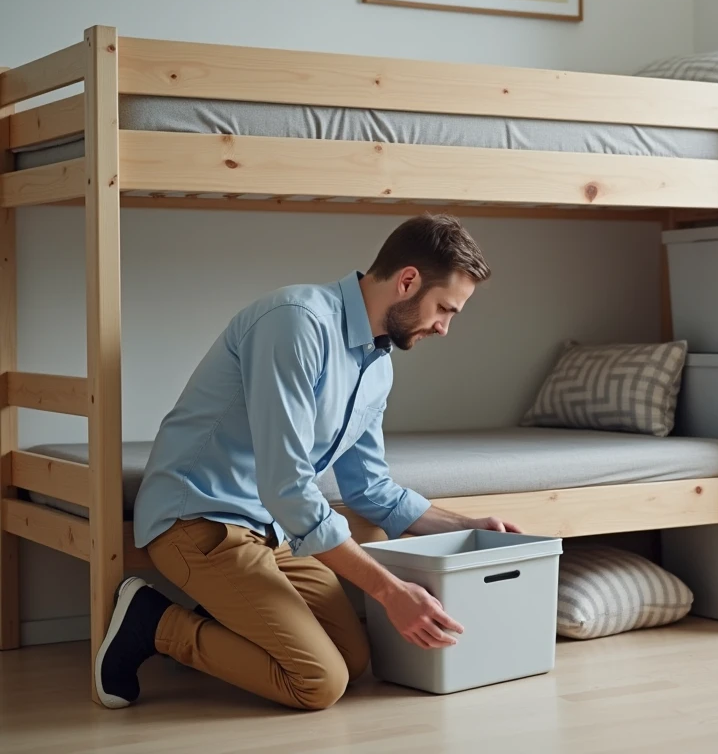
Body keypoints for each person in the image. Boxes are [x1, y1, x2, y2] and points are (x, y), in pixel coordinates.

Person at [94, 213, 521, 711]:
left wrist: (467, 525)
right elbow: (289, 486)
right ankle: (154, 622)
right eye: (444, 308)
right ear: (408, 281)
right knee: (317, 682)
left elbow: (370, 489)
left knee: (353, 658)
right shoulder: (296, 323)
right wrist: (390, 592)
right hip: (201, 520)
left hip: (273, 531)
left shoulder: (377, 365)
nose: (445, 328)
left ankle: (220, 612)